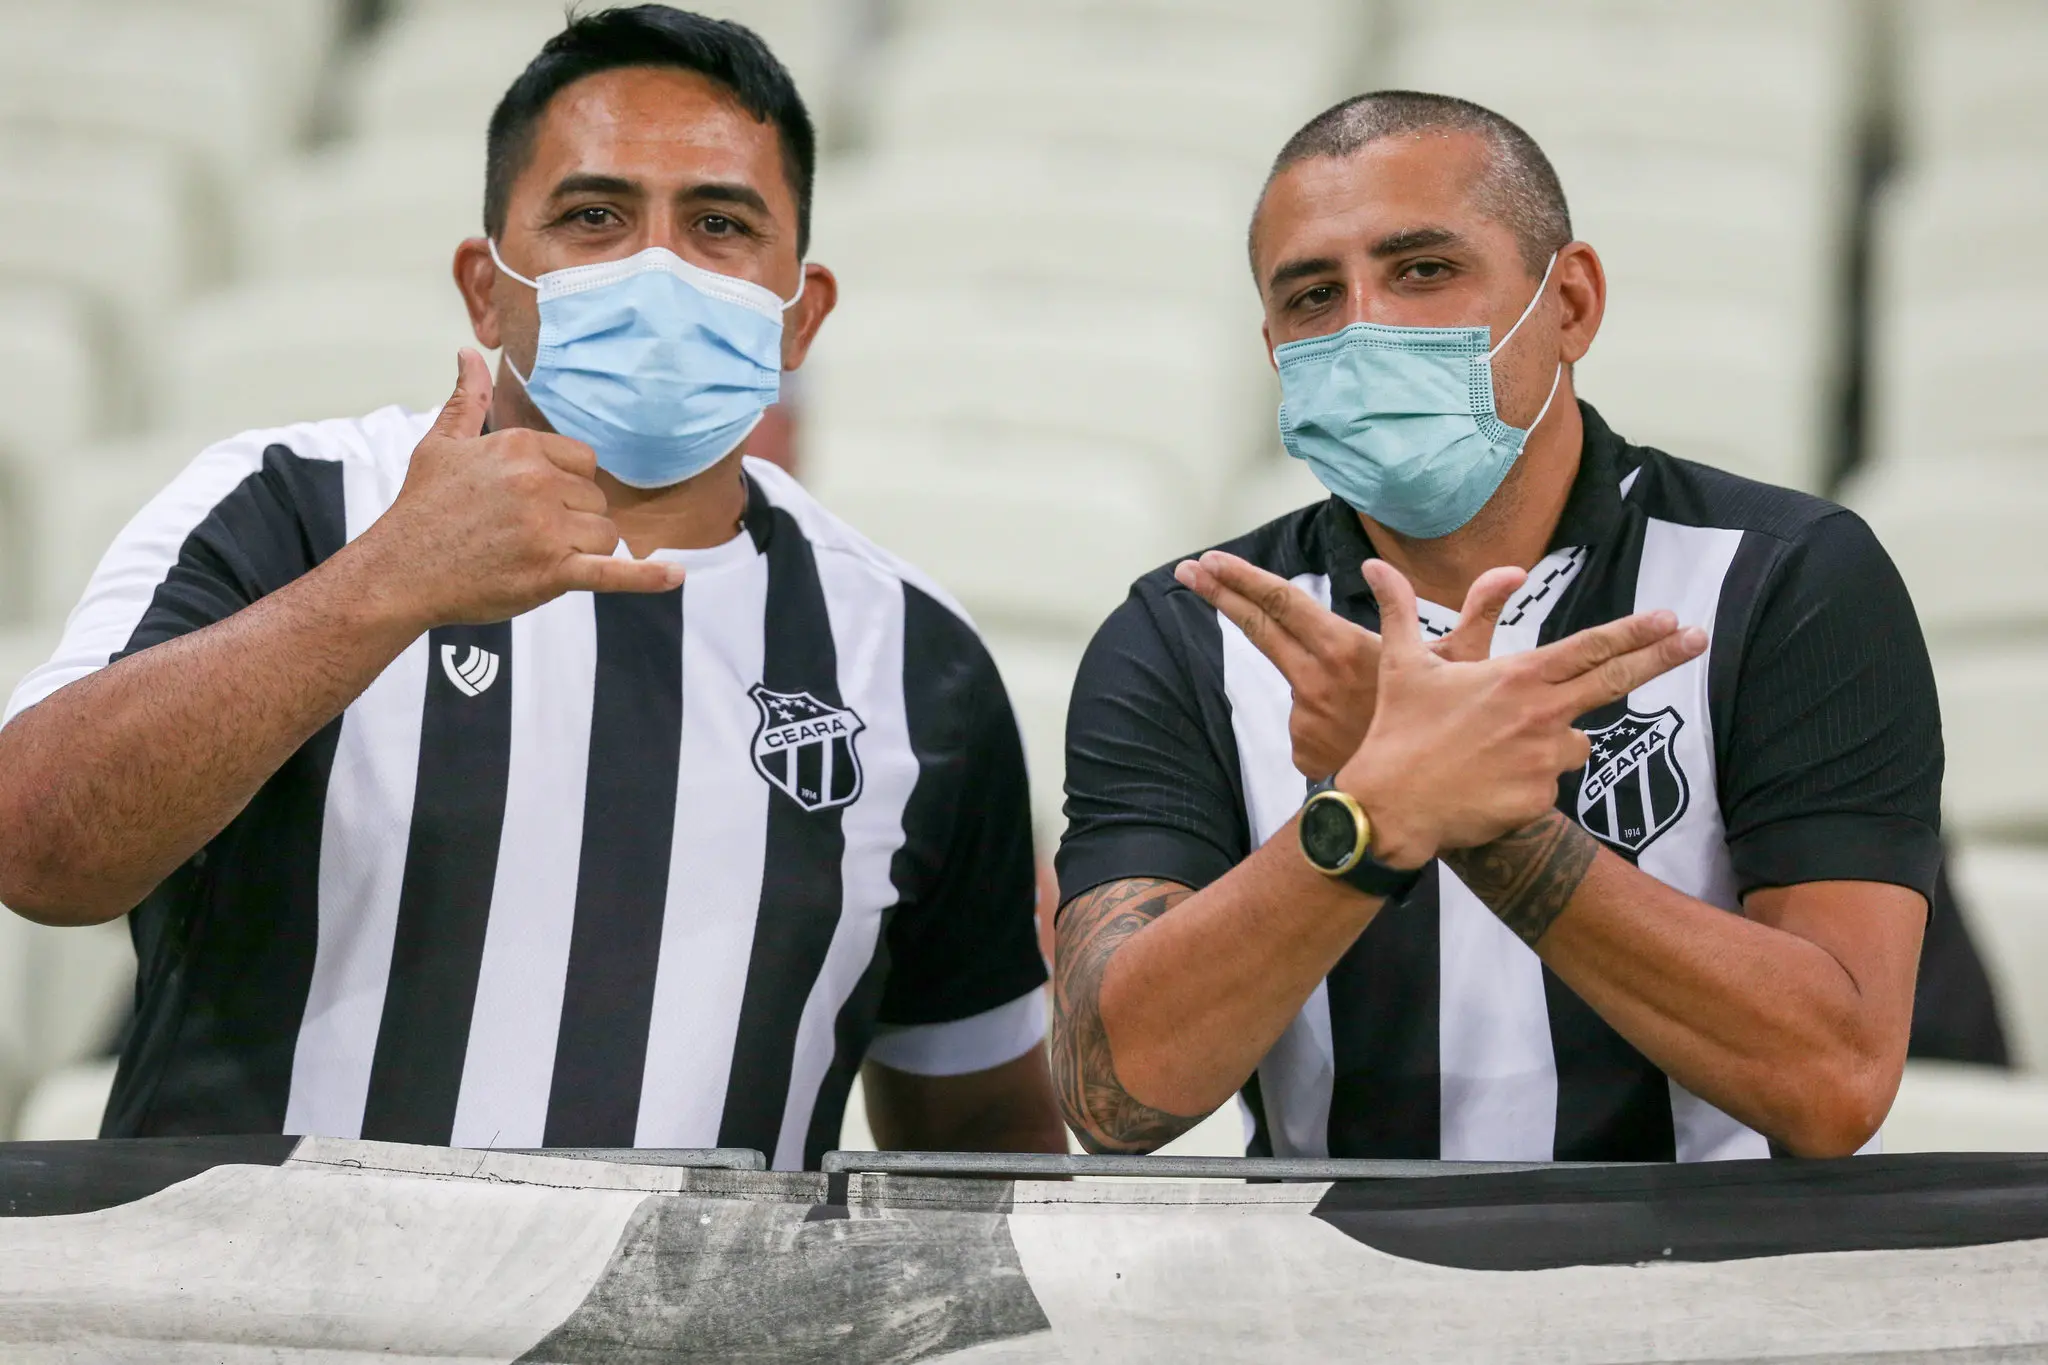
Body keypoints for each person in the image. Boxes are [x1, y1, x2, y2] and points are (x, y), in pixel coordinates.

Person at [0, 6, 1064, 1169]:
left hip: (683, 1301)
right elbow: (39, 849)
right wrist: (385, 585)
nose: (656, 269)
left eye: (718, 224)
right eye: (593, 216)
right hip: (239, 1288)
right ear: (484, 289)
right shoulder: (289, 505)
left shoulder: (913, 660)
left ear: (797, 315)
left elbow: (975, 1130)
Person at [1051, 92, 1940, 1162]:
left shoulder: (1785, 579)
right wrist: (1374, 815)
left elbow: (1833, 1082)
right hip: (1320, 1269)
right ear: (1273, 344)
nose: (1365, 325)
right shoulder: (1189, 630)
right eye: (1313, 295)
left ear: (1569, 302)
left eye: (1423, 269)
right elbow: (1115, 1095)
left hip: (1696, 1266)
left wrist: (1467, 813)